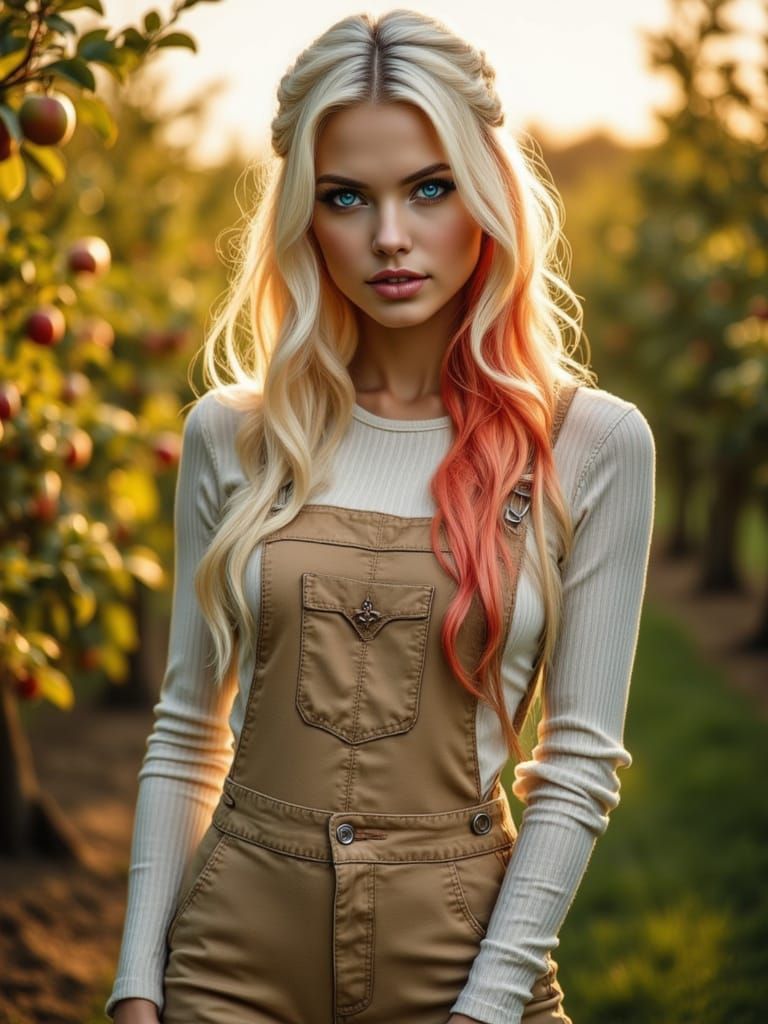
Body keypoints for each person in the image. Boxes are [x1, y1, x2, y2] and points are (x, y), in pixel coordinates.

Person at [106, 9, 655, 1024]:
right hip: (230, 965)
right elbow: (188, 731)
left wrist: (483, 1008)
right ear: (305, 219)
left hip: (461, 966)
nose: (390, 236)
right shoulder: (233, 436)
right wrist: (138, 985)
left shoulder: (592, 444)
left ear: (486, 195)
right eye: (347, 197)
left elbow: (577, 766)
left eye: (430, 188)